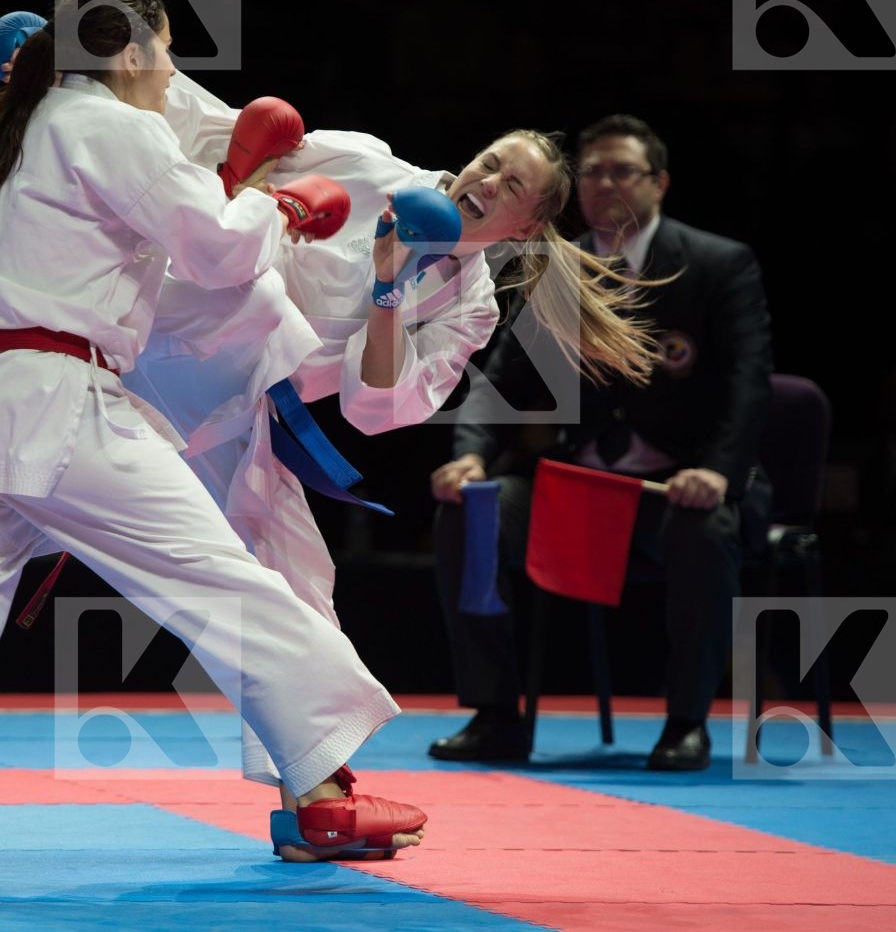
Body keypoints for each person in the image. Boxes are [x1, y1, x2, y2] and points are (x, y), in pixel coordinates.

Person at [0, 0, 428, 904]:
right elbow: (218, 249)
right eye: (166, 48)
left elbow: (162, 232)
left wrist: (235, 188)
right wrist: (284, 211)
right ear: (134, 50)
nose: (172, 71)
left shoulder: (22, 132)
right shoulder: (107, 121)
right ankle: (322, 785)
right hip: (57, 404)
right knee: (222, 582)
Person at [125, 71, 663, 808]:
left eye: (511, 187)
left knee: (297, 592)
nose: (488, 179)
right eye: (492, 162)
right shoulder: (366, 163)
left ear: (525, 230)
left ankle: (310, 791)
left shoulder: (469, 306)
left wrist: (390, 288)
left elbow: (378, 407)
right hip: (147, 340)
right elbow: (230, 130)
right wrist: (118, 68)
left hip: (223, 411)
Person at [429, 113, 773, 771]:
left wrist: (719, 473)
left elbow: (748, 385)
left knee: (703, 532)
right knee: (470, 512)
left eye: (622, 170)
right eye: (590, 172)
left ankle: (686, 723)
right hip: (577, 491)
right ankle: (495, 713)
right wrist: (468, 455)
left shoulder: (716, 264)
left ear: (660, 183)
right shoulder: (560, 267)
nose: (604, 183)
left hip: (675, 488)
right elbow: (495, 378)